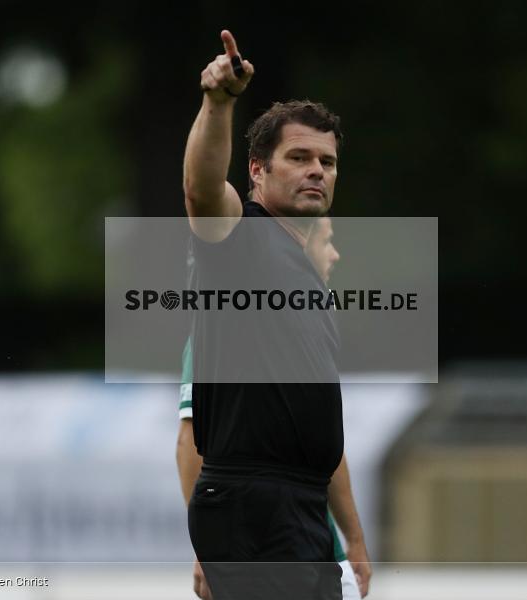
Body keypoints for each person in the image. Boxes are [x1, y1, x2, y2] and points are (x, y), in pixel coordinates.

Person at [183, 28, 358, 600]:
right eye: (300, 157)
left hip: (299, 510)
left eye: (327, 161)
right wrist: (218, 102)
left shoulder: (305, 270)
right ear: (257, 170)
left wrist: (350, 535)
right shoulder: (240, 236)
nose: (317, 171)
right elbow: (202, 188)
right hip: (252, 505)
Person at [176, 218, 371, 600]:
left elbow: (325, 446)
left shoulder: (303, 329)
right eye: (327, 242)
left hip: (315, 546)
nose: (335, 254)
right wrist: (208, 548)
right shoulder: (221, 334)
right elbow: (191, 442)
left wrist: (355, 539)